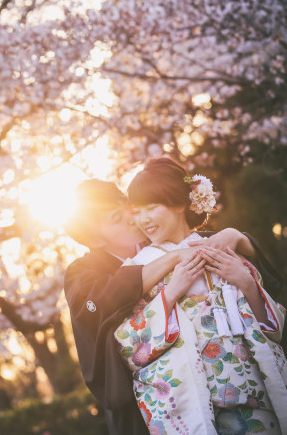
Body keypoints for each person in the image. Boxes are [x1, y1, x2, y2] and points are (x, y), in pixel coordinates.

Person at [64, 178, 272, 434]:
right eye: (118, 218)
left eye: (130, 208)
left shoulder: (170, 238)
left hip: (229, 385)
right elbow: (100, 303)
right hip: (153, 400)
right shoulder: (82, 272)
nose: (133, 218)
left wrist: (236, 236)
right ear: (95, 240)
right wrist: (173, 261)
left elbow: (261, 273)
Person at [114, 157, 287, 434]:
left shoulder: (222, 247)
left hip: (253, 396)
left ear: (180, 203)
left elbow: (274, 328)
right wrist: (171, 293)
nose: (142, 219)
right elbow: (129, 344)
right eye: (137, 211)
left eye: (151, 207)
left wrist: (245, 281)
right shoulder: (140, 268)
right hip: (193, 404)